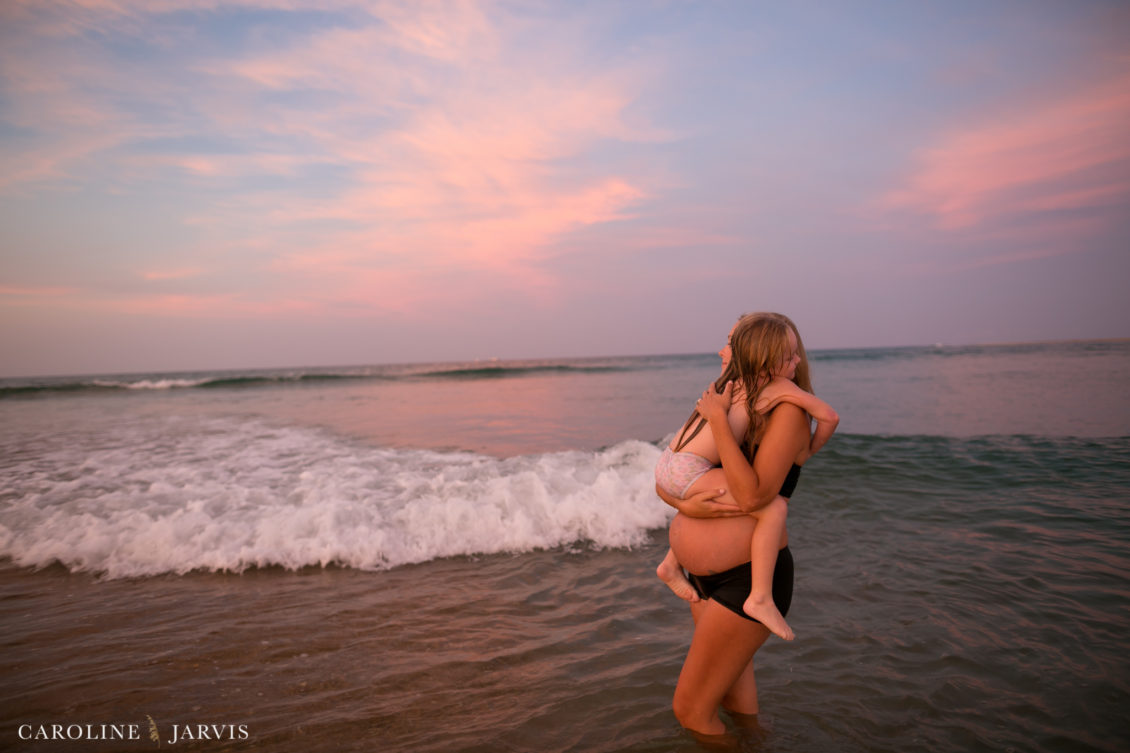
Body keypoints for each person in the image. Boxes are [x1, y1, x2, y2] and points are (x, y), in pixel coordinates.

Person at [655, 312, 824, 737]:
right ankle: (753, 744)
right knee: (731, 698)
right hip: (705, 577)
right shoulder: (738, 399)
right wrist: (690, 509)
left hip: (746, 579)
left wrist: (716, 420)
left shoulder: (785, 410)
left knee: (691, 711)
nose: (727, 350)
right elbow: (677, 477)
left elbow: (753, 498)